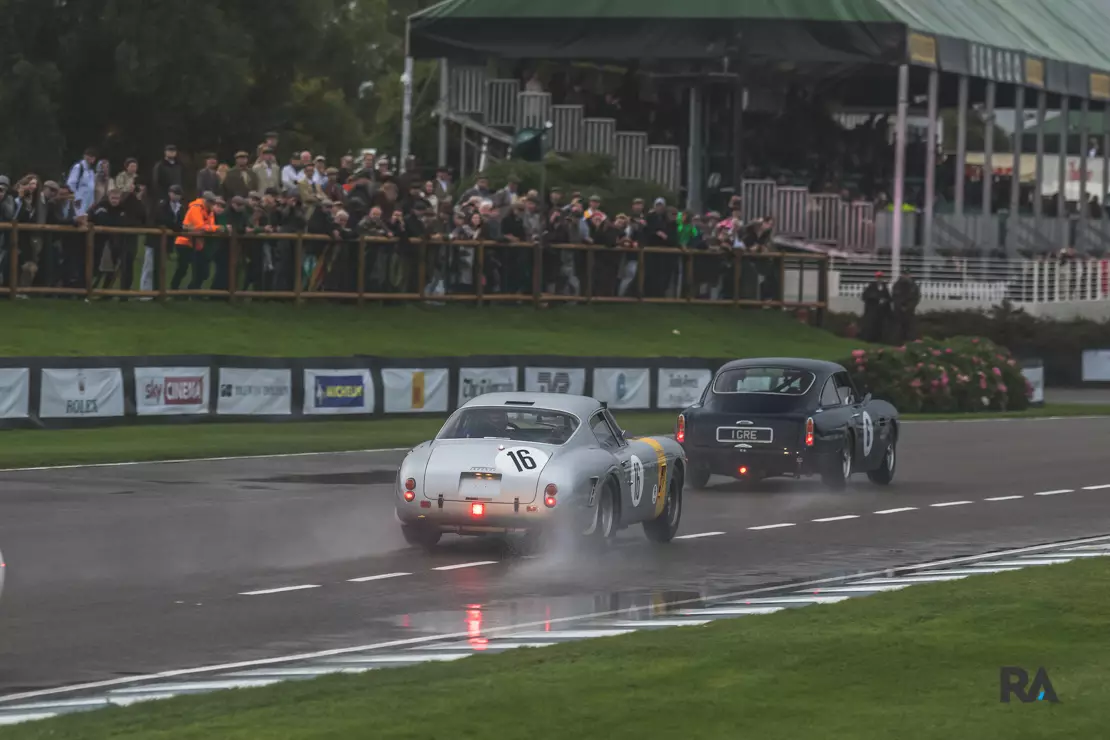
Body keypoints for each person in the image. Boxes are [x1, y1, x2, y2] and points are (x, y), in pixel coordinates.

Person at [890, 267, 921, 344]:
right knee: (898, 326)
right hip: (899, 310)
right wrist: (900, 306)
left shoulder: (914, 286)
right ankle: (897, 342)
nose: (906, 276)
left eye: (907, 274)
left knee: (910, 326)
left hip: (909, 310)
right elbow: (895, 297)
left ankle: (911, 340)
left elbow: (916, 298)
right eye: (904, 274)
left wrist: (909, 307)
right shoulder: (897, 285)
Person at [860, 271, 892, 343]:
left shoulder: (884, 287)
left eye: (881, 277)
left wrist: (885, 300)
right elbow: (865, 296)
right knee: (871, 326)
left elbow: (889, 297)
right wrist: (876, 299)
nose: (879, 279)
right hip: (873, 311)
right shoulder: (871, 286)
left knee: (881, 326)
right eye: (878, 277)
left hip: (882, 311)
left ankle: (881, 339)